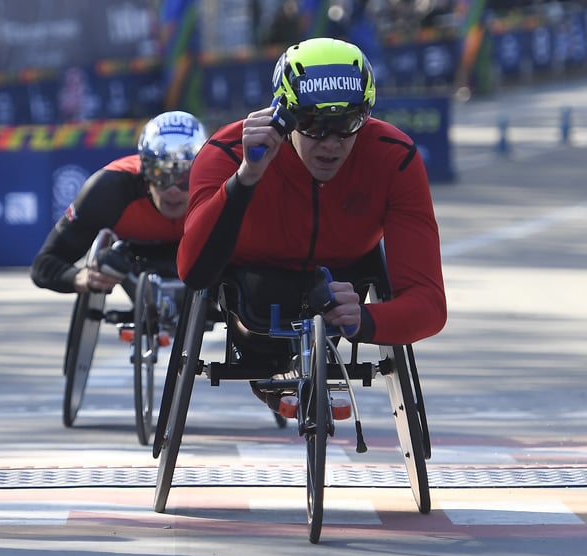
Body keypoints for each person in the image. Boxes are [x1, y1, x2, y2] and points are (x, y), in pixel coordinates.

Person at [177, 37, 446, 406]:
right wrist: (246, 177)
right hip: (250, 287)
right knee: (251, 307)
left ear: (366, 115)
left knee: (343, 282)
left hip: (340, 283)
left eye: (347, 124)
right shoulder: (227, 151)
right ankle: (263, 359)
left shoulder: (394, 158)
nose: (331, 143)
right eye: (313, 124)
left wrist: (364, 319)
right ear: (283, 116)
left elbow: (430, 304)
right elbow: (193, 271)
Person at [30, 110, 207, 297]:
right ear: (144, 170)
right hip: (133, 260)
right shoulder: (109, 189)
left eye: (185, 176)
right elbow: (44, 264)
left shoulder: (222, 185)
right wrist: (83, 277)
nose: (173, 190)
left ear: (204, 171)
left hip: (206, 258)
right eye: (160, 174)